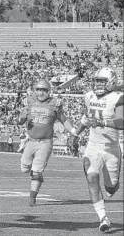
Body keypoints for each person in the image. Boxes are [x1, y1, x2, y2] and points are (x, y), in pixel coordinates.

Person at [67, 67, 123, 233]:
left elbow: (122, 122)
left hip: (111, 147)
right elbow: (86, 117)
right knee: (91, 176)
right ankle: (103, 217)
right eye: (97, 80)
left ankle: (112, 185)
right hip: (93, 145)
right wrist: (75, 134)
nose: (98, 84)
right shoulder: (89, 96)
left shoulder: (118, 97)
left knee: (111, 188)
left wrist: (103, 123)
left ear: (111, 82)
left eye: (102, 81)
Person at [18, 78, 77, 207]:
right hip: (30, 141)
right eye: (38, 89)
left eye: (44, 90)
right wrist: (21, 117)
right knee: (24, 168)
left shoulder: (55, 104)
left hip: (45, 142)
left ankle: (32, 197)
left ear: (48, 91)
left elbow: (63, 119)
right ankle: (36, 176)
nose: (41, 92)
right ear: (35, 90)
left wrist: (73, 130)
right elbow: (20, 121)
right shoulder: (28, 102)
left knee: (37, 171)